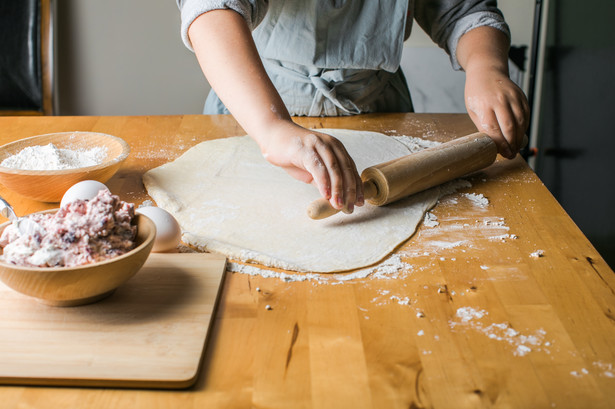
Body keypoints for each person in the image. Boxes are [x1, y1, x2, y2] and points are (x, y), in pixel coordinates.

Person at [176, 0, 529, 213]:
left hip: (378, 104)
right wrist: (272, 129)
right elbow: (211, 9)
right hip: (254, 106)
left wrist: (487, 67)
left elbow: (462, 11)